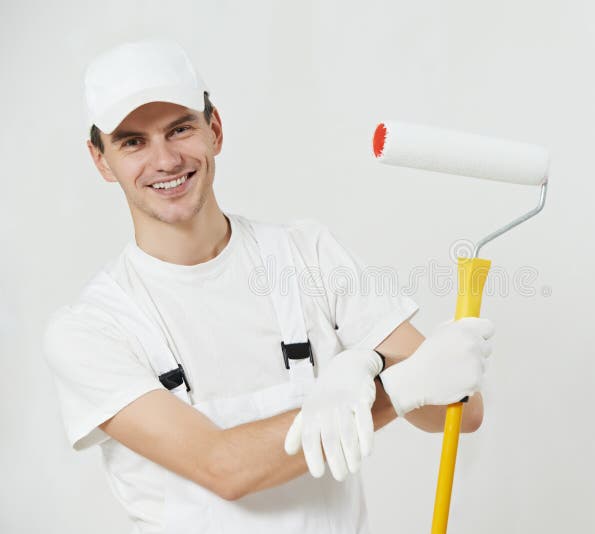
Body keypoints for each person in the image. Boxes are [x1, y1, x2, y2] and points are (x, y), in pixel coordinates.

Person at [43, 39, 494, 534]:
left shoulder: (308, 256)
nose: (166, 160)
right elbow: (223, 468)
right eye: (133, 142)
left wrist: (369, 365)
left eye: (180, 129)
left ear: (214, 130)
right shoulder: (91, 330)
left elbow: (459, 414)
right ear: (101, 160)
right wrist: (396, 385)